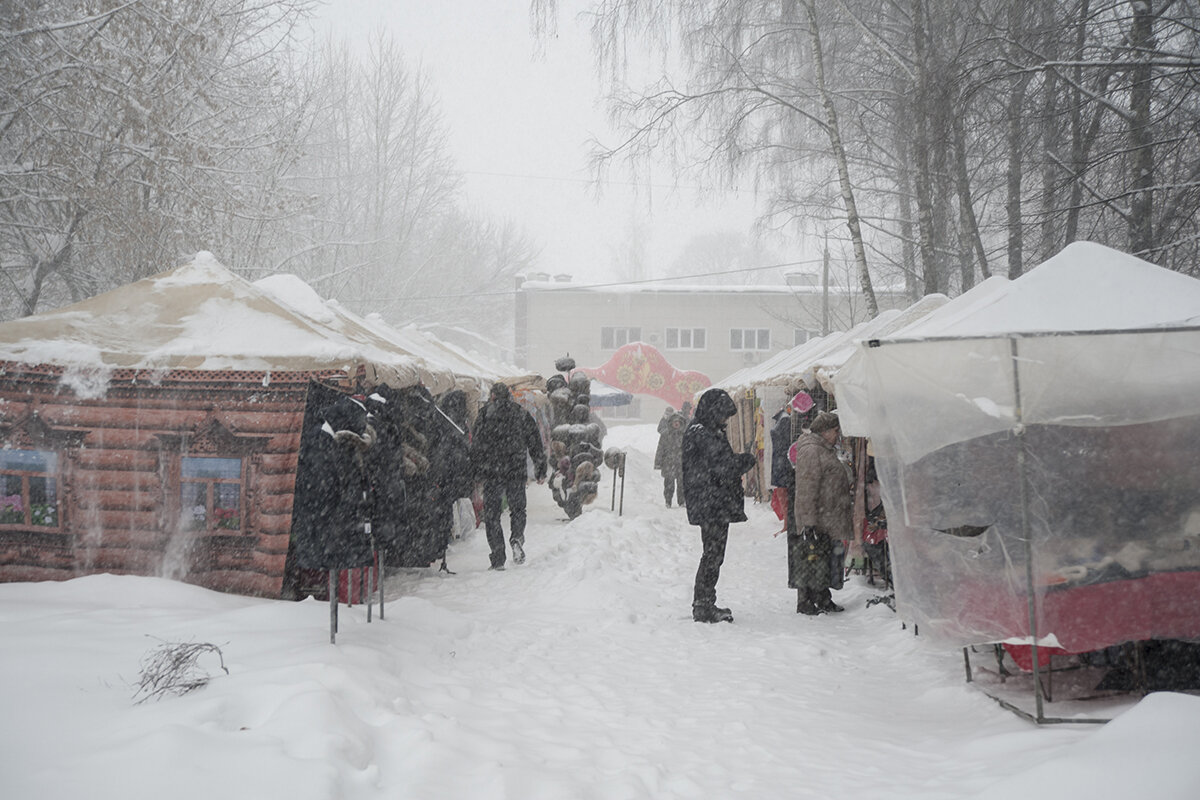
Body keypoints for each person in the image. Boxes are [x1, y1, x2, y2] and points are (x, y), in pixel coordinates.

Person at [682, 388, 757, 623]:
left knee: (713, 554)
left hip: (712, 503)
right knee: (712, 555)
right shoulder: (702, 433)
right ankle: (703, 605)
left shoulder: (704, 430)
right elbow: (723, 466)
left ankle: (704, 602)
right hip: (711, 504)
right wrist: (746, 460)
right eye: (723, 415)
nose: (726, 420)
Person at [471, 382, 547, 570]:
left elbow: (476, 445)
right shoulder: (521, 413)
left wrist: (476, 471)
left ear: (493, 396)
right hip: (515, 469)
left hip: (492, 471)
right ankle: (516, 538)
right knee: (518, 509)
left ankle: (498, 557)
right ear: (509, 395)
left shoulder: (484, 414)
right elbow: (535, 442)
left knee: (492, 515)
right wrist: (540, 468)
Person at [791, 411, 853, 614]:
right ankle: (806, 601)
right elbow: (807, 488)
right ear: (825, 431)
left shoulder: (822, 449)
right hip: (819, 515)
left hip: (826, 515)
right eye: (835, 431)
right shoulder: (812, 451)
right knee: (810, 557)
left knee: (821, 558)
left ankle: (822, 597)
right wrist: (808, 522)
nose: (837, 435)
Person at [654, 407, 687, 507]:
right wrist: (658, 462)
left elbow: (689, 450)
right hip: (668, 463)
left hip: (681, 464)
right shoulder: (665, 435)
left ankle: (681, 501)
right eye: (674, 422)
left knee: (681, 484)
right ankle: (668, 501)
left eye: (678, 422)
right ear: (671, 423)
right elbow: (660, 449)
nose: (676, 424)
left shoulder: (684, 435)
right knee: (669, 484)